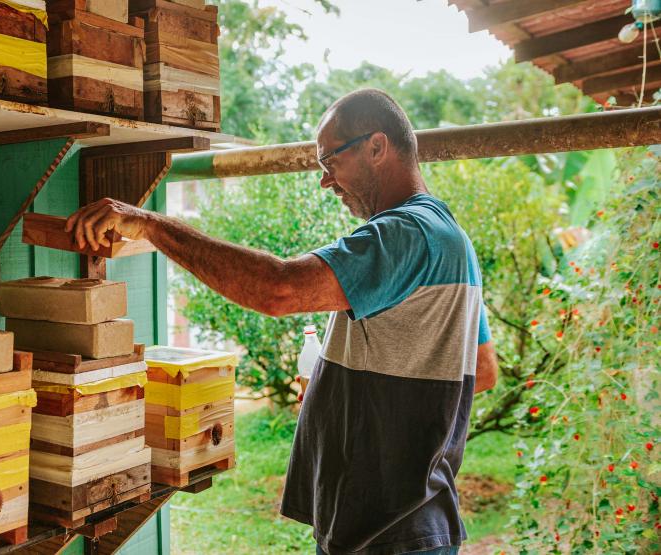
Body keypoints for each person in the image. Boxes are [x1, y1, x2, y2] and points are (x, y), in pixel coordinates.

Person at [65, 88, 499, 555]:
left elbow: (279, 288)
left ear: (377, 147)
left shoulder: (405, 234)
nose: (326, 182)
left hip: (388, 531)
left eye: (330, 161)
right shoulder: (448, 237)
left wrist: (152, 225)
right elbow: (483, 370)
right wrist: (353, 394)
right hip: (400, 523)